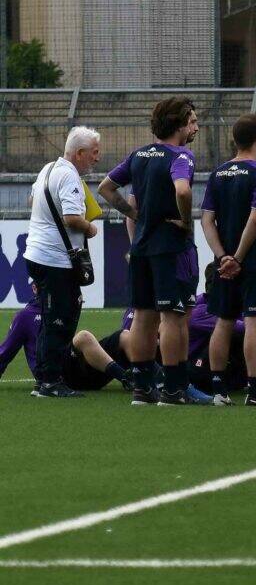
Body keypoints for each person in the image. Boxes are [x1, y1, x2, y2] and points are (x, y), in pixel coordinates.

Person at [99, 98, 200, 405]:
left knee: (143, 317)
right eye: (193, 121)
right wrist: (184, 219)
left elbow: (105, 187)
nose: (196, 127)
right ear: (179, 124)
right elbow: (182, 189)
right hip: (170, 248)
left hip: (141, 247)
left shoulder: (138, 155)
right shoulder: (181, 154)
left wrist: (134, 215)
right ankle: (172, 389)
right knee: (173, 317)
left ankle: (143, 388)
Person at [200, 114, 256, 407]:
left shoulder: (217, 173)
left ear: (234, 140)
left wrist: (223, 257)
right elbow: (255, 219)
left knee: (224, 321)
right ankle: (255, 391)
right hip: (253, 262)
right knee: (254, 323)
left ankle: (218, 390)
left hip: (223, 265)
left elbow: (207, 220)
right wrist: (239, 259)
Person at [23, 126, 103, 398]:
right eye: (93, 152)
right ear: (79, 153)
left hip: (38, 254)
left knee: (51, 317)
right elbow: (71, 218)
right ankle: (50, 381)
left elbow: (32, 199)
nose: (97, 158)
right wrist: (91, 229)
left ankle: (45, 379)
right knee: (61, 319)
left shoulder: (48, 169)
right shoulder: (69, 177)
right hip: (55, 260)